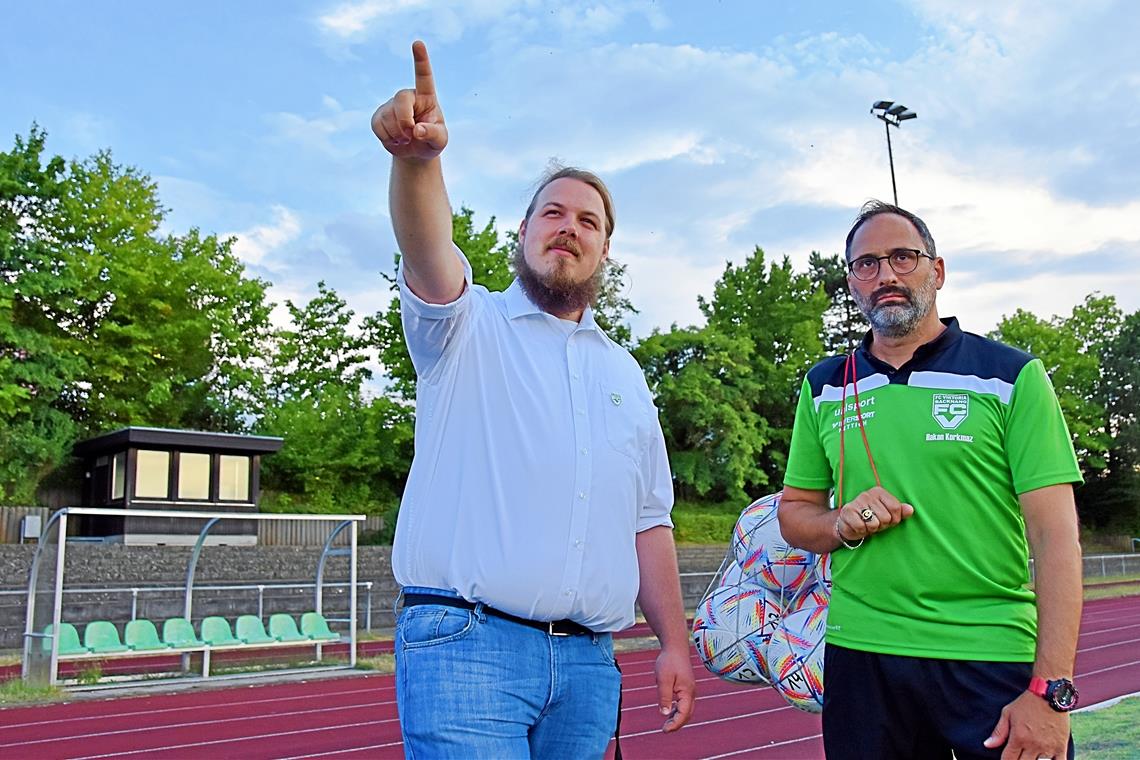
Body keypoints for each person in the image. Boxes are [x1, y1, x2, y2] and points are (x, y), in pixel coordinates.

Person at [370, 40, 696, 759]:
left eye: (588, 221)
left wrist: (673, 642)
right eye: (553, 213)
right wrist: (417, 161)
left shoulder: (626, 376)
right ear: (524, 232)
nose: (568, 227)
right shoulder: (465, 325)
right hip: (467, 646)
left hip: (587, 666)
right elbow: (428, 248)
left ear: (606, 251)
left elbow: (650, 522)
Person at [778, 200, 1083, 760]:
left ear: (936, 271)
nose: (886, 275)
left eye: (902, 257)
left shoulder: (1011, 376)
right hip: (863, 656)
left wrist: (1051, 691)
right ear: (852, 281)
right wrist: (840, 524)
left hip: (988, 653)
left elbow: (1055, 539)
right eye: (867, 264)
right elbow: (795, 513)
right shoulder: (823, 385)